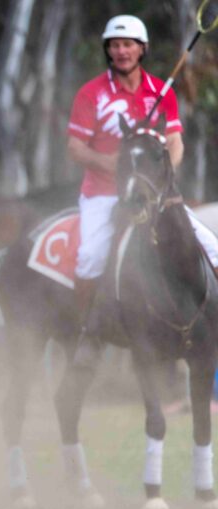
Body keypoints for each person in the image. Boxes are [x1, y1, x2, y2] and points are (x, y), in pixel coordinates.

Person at [67, 14, 218, 323]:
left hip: (156, 193)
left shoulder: (161, 92)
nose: (121, 51)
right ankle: (84, 329)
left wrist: (160, 173)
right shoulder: (91, 93)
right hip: (104, 192)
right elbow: (75, 147)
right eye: (115, 45)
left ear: (142, 49)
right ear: (108, 51)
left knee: (213, 248)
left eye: (128, 45)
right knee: (90, 258)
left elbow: (174, 142)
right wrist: (111, 164)